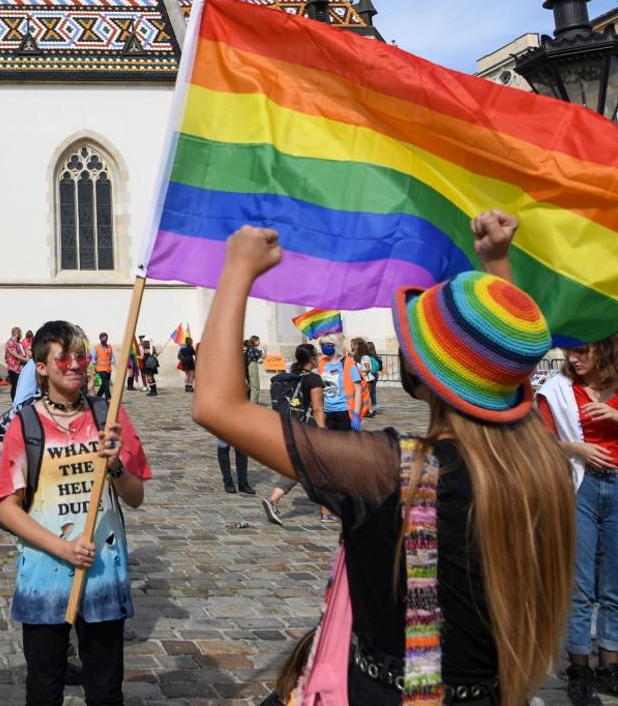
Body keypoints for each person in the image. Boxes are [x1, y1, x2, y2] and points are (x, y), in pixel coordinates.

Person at [197, 213, 573, 706]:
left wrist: (236, 271)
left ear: (421, 372)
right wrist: (497, 266)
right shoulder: (541, 466)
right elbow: (501, 375)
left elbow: (216, 405)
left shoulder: (391, 469)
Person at [0, 319, 150, 706]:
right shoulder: (26, 424)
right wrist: (62, 549)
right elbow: (6, 509)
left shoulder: (108, 416)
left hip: (103, 575)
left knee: (105, 689)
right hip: (45, 576)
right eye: (64, 358)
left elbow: (136, 497)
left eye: (80, 356)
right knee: (45, 688)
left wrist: (115, 465)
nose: (77, 364)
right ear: (41, 368)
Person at [538, 333, 618, 704]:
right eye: (569, 351)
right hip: (579, 488)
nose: (573, 358)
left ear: (604, 348)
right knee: (579, 587)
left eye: (581, 350)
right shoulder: (557, 389)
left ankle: (610, 667)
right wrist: (575, 447)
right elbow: (537, 442)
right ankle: (579, 669)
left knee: (617, 584)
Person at [262, 343, 325, 526]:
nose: (319, 357)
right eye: (317, 355)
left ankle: (274, 500)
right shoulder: (314, 379)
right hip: (307, 431)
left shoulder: (290, 376)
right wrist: (323, 433)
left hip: (289, 427)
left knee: (301, 468)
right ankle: (330, 508)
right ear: (312, 359)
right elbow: (318, 409)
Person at [5, 326, 30, 403]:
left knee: (19, 386)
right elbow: (14, 354)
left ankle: (19, 401)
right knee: (15, 386)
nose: (21, 334)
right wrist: (26, 360)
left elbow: (21, 352)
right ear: (17, 333)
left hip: (19, 368)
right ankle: (14, 402)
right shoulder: (10, 342)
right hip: (14, 368)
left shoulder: (17, 343)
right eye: (20, 333)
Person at [92, 332, 114, 398]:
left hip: (108, 368)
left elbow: (111, 356)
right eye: (103, 339)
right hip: (100, 368)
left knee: (104, 384)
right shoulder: (96, 347)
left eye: (105, 339)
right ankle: (109, 398)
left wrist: (113, 362)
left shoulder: (110, 347)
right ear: (100, 339)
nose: (104, 340)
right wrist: (94, 364)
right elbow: (93, 357)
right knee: (106, 383)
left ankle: (98, 397)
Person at [244, 335, 264, 403]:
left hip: (249, 368)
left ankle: (251, 403)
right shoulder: (254, 349)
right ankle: (253, 405)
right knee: (255, 387)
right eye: (258, 340)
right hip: (253, 368)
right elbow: (263, 356)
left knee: (252, 387)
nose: (259, 342)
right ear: (254, 341)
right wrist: (265, 349)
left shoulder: (249, 349)